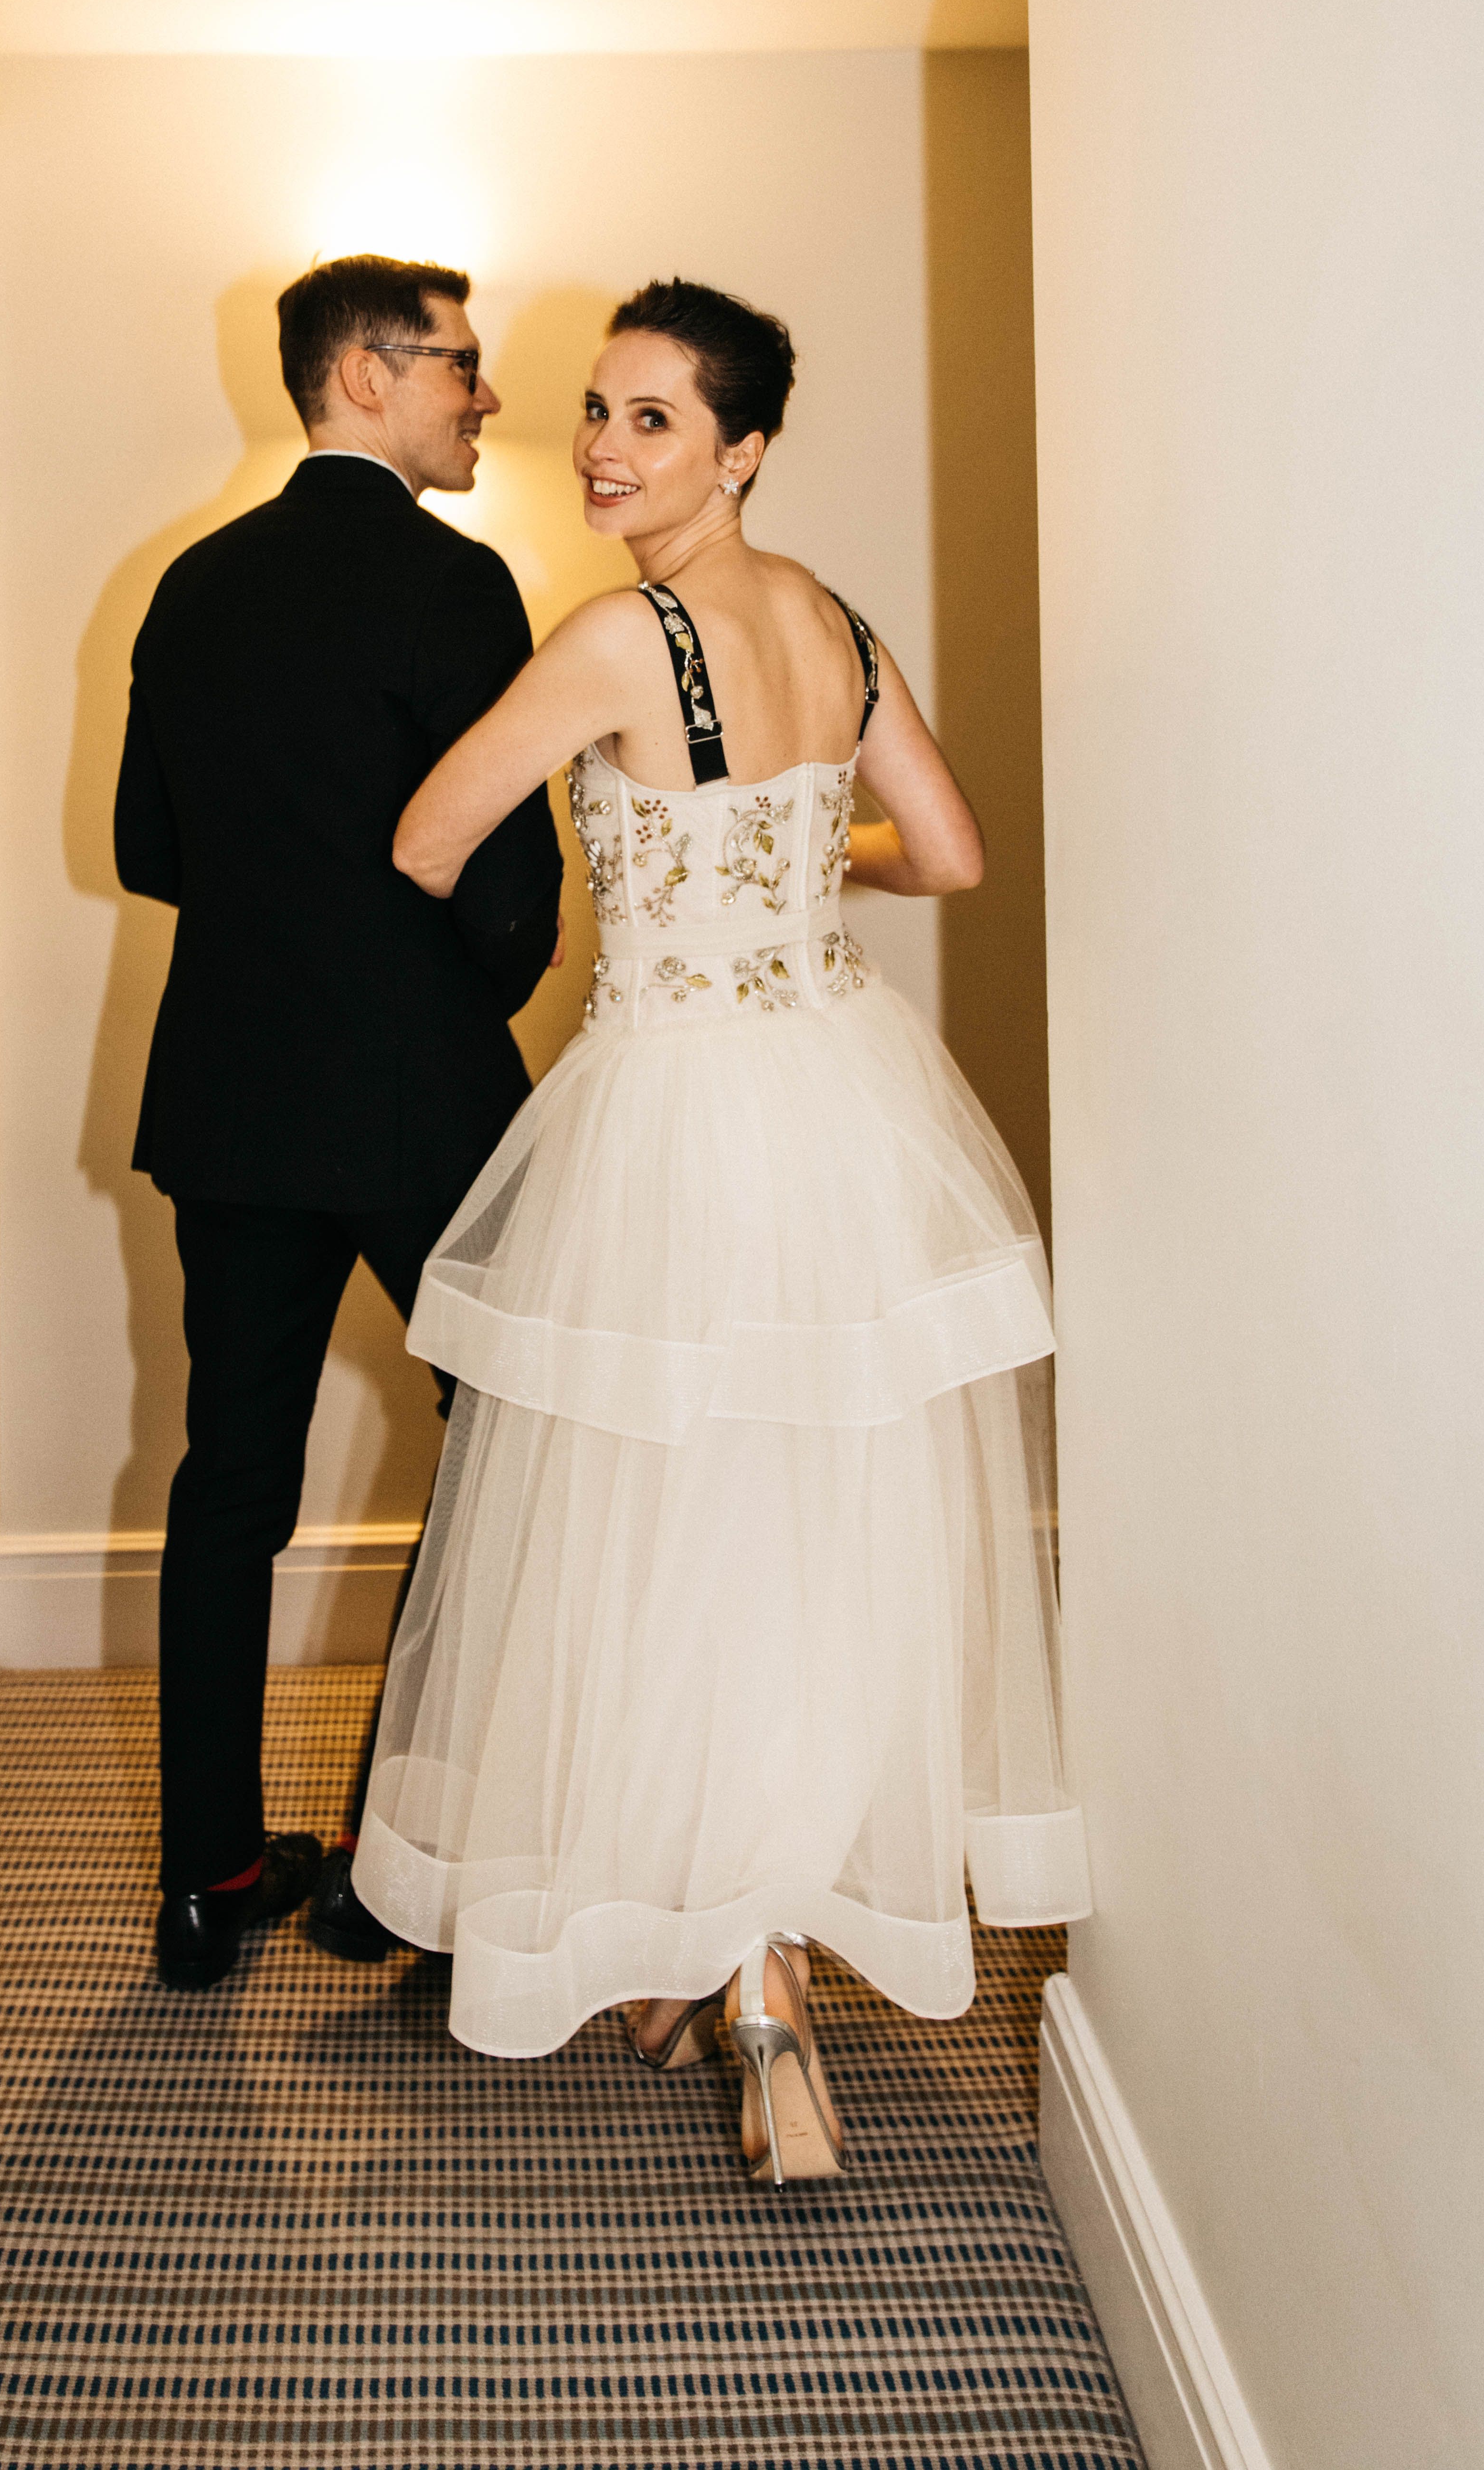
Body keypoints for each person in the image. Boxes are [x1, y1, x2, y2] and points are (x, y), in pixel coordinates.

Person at [351, 276, 1091, 2183]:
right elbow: (946, 851)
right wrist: (778, 850)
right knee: (807, 1525)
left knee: (664, 1526)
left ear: (744, 445)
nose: (601, 444)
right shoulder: (835, 622)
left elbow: (431, 841)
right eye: (595, 410)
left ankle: (741, 1984)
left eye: (652, 419)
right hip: (843, 1094)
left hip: (675, 1108)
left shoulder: (617, 639)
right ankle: (739, 1948)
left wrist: (632, 847)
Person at [114, 254, 562, 1991]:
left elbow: (153, 851)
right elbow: (508, 894)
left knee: (232, 1483)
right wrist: (453, 1010)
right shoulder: (461, 584)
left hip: (227, 1097)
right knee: (523, 1444)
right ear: (366, 379)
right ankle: (401, 1861)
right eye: (463, 366)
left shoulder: (191, 583)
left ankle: (209, 1879)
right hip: (419, 1100)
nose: (487, 398)